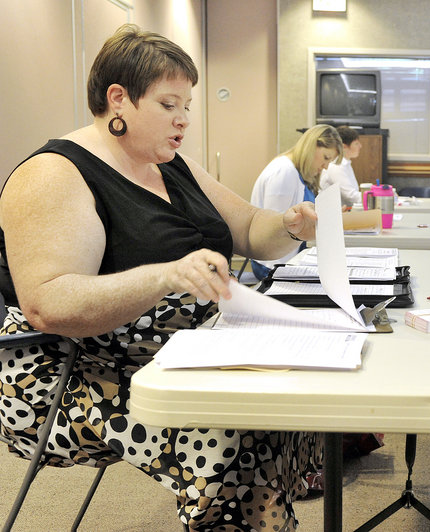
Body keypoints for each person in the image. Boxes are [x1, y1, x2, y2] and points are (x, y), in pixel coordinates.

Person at [0, 24, 322, 531]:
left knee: (289, 393)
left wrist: (289, 227)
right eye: (170, 105)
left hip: (180, 351)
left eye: (187, 106)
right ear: (119, 100)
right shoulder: (54, 174)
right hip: (78, 374)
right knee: (239, 428)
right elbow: (49, 304)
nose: (184, 120)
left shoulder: (173, 166)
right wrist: (166, 275)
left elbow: (251, 232)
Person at [250, 124, 342, 279]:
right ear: (311, 146)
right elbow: (274, 230)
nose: (326, 167)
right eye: (326, 158)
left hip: (289, 257)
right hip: (272, 266)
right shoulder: (284, 172)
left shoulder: (297, 172)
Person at [320, 125, 362, 207]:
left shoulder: (346, 163)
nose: (360, 146)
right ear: (344, 147)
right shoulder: (336, 165)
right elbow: (351, 196)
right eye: (356, 143)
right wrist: (376, 197)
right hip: (332, 214)